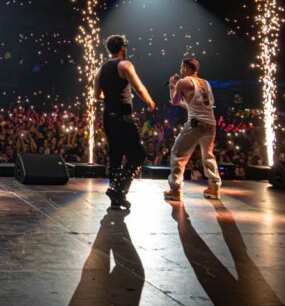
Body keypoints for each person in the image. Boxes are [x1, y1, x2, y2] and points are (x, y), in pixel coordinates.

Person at [93, 34, 156, 210]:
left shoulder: (100, 69)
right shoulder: (125, 65)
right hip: (123, 116)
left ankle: (117, 198)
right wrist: (150, 102)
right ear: (122, 47)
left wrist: (111, 98)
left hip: (108, 116)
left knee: (116, 156)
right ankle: (118, 188)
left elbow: (97, 96)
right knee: (138, 155)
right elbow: (139, 87)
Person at [164, 58, 221, 201]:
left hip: (196, 124)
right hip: (211, 124)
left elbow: (174, 101)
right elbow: (198, 105)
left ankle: (175, 189)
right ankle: (214, 187)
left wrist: (172, 85)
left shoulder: (183, 82)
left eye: (181, 68)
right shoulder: (205, 83)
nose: (180, 71)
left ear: (185, 68)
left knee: (178, 153)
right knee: (208, 155)